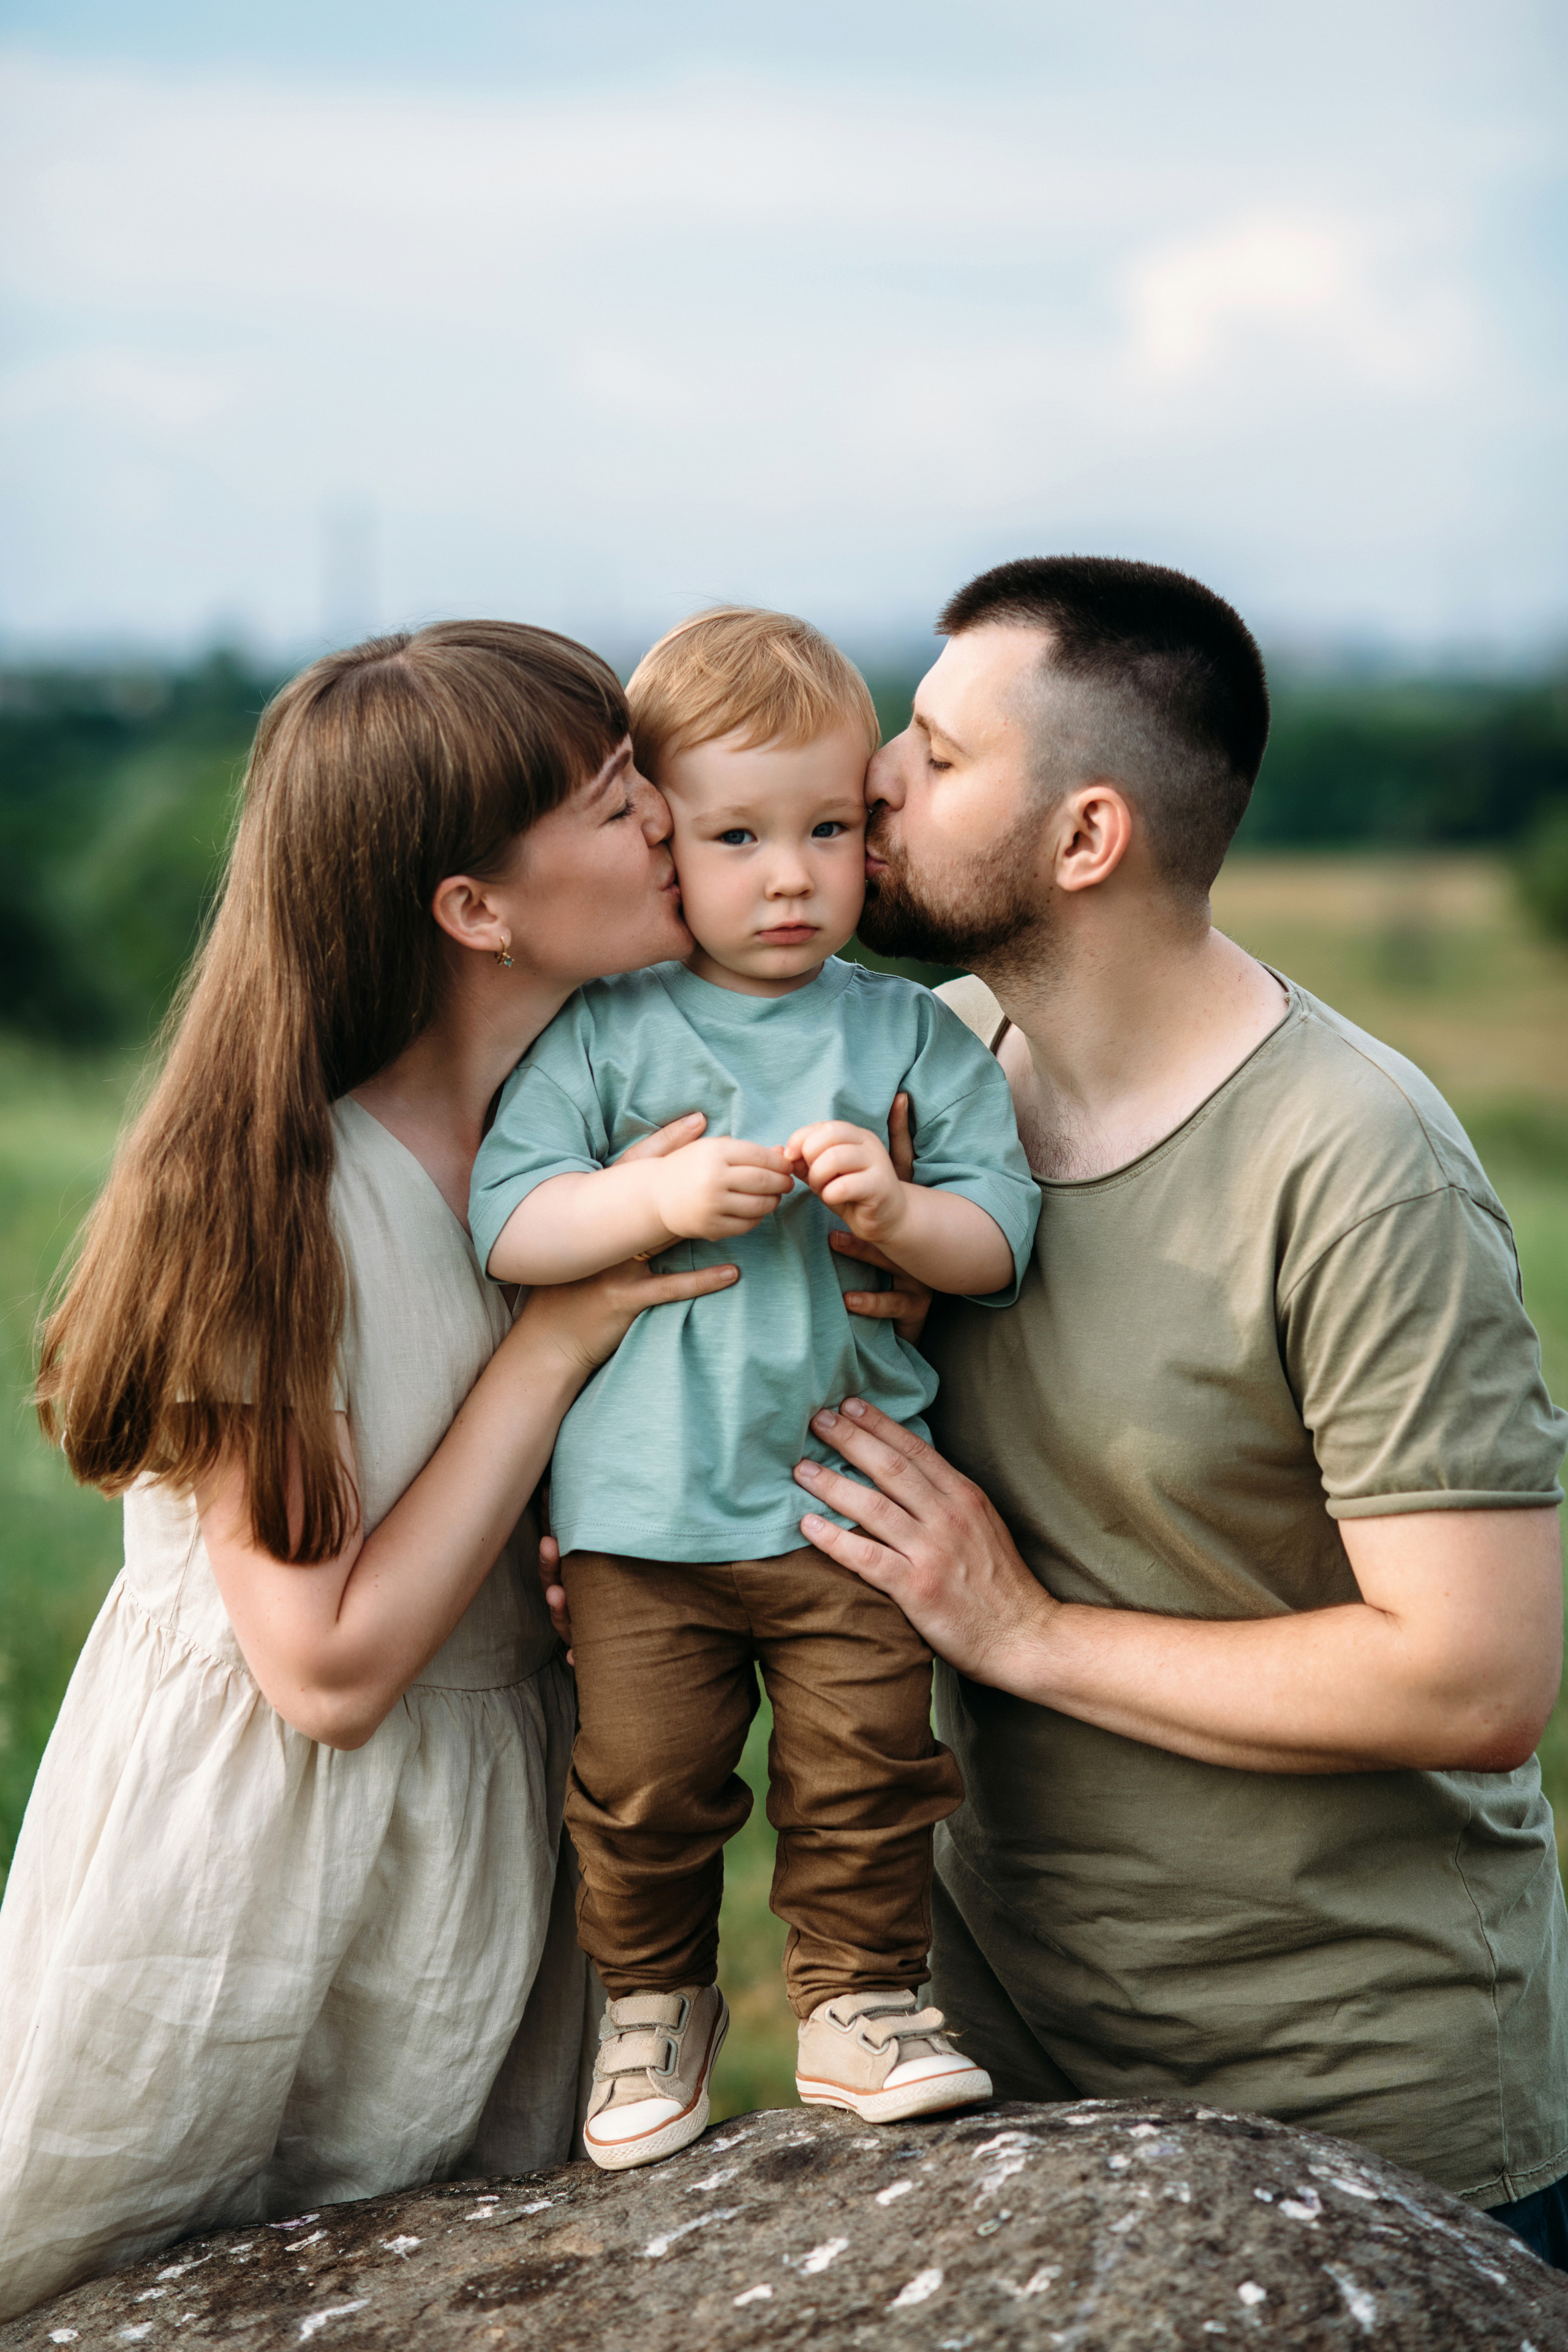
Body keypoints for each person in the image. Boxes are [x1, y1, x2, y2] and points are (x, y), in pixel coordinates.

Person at [785, 557, 1568, 2262]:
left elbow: (1479, 1674)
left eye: (933, 750)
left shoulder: (1358, 1165)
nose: (874, 786)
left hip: (1361, 2117)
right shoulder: (925, 1069)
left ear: (1086, 838)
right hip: (998, 2070)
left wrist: (1023, 1631)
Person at [0, 622, 747, 2322]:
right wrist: (552, 1347)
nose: (666, 819)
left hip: (492, 1845)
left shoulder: (598, 1143)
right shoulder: (278, 1193)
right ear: (475, 911)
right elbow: (323, 1668)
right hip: (263, 1882)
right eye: (614, 795)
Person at [470, 608, 1039, 2169]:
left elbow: (997, 1233)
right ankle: (651, 2004)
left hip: (842, 1505)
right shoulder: (609, 1029)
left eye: (827, 831)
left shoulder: (905, 1032)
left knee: (866, 1768)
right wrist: (645, 1203)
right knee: (641, 1784)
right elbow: (509, 1218)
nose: (787, 876)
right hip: (643, 1520)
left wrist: (900, 1213)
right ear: (663, 837)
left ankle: (861, 2006)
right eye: (735, 836)